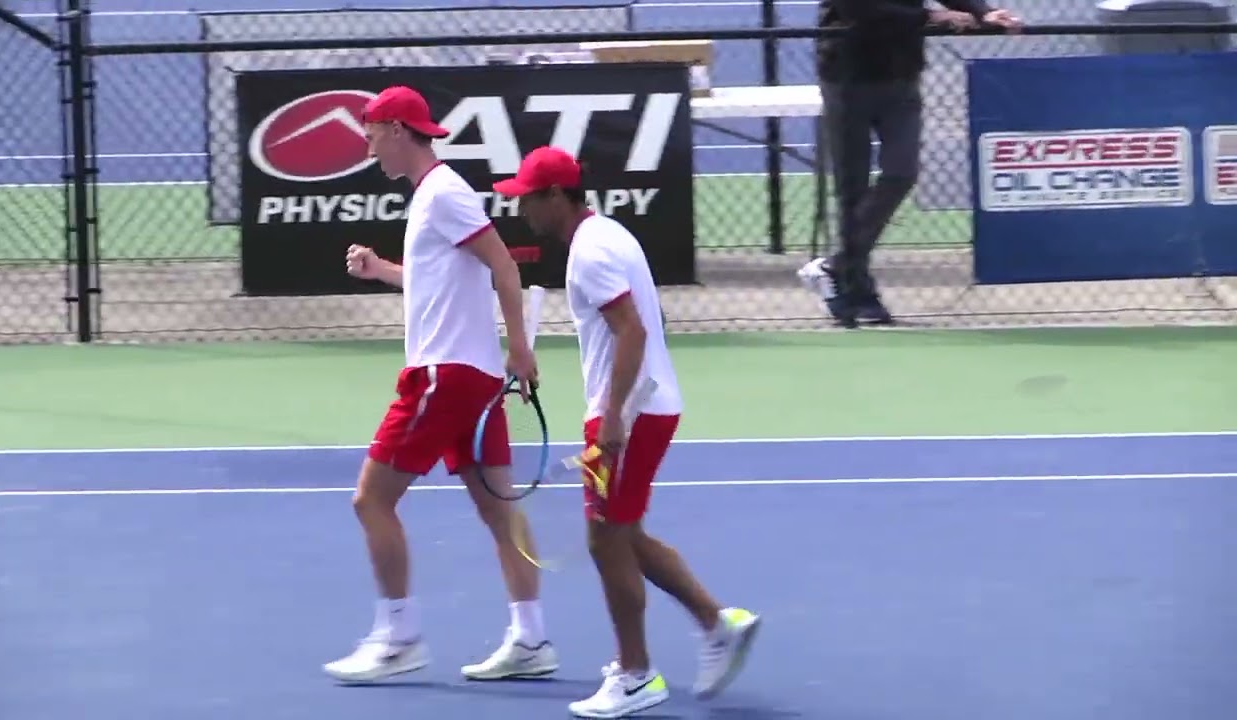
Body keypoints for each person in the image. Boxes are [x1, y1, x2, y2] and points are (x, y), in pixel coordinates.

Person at [493, 146, 761, 718]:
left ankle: (636, 674)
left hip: (630, 413)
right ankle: (718, 624)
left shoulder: (589, 253)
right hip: (647, 405)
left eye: (528, 199)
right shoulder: (608, 235)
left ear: (557, 196)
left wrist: (612, 415)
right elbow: (642, 326)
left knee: (604, 539)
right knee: (626, 534)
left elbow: (633, 332)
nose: (522, 210)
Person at [321, 85, 559, 684]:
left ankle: (398, 635)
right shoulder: (433, 196)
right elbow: (445, 282)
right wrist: (383, 272)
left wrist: (521, 350)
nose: (369, 145)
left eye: (372, 133)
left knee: (371, 500)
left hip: (443, 377)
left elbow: (502, 266)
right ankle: (531, 639)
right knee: (500, 513)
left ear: (398, 130)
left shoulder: (443, 194)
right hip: (470, 377)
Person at [801, 0, 1024, 328]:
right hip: (847, 74)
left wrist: (984, 12)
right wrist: (931, 16)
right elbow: (859, 9)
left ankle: (835, 266)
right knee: (853, 189)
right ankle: (858, 292)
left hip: (901, 73)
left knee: (901, 172)